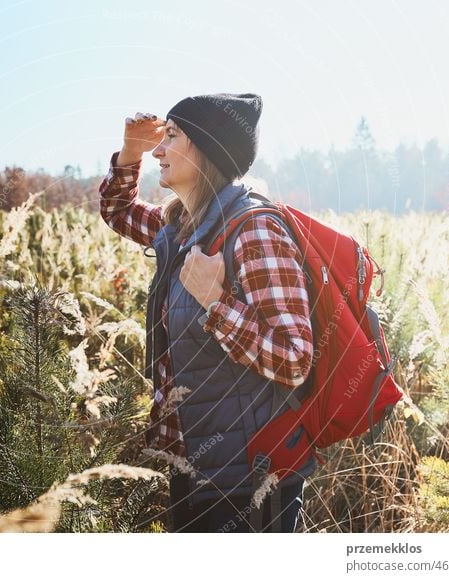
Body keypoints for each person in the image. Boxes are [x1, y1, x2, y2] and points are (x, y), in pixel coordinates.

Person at [98, 93, 318, 532]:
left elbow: (295, 359)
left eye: (171, 137)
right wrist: (129, 152)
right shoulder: (183, 226)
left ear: (207, 149)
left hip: (250, 482)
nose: (158, 149)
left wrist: (217, 305)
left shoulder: (254, 230)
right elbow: (117, 211)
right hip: (196, 468)